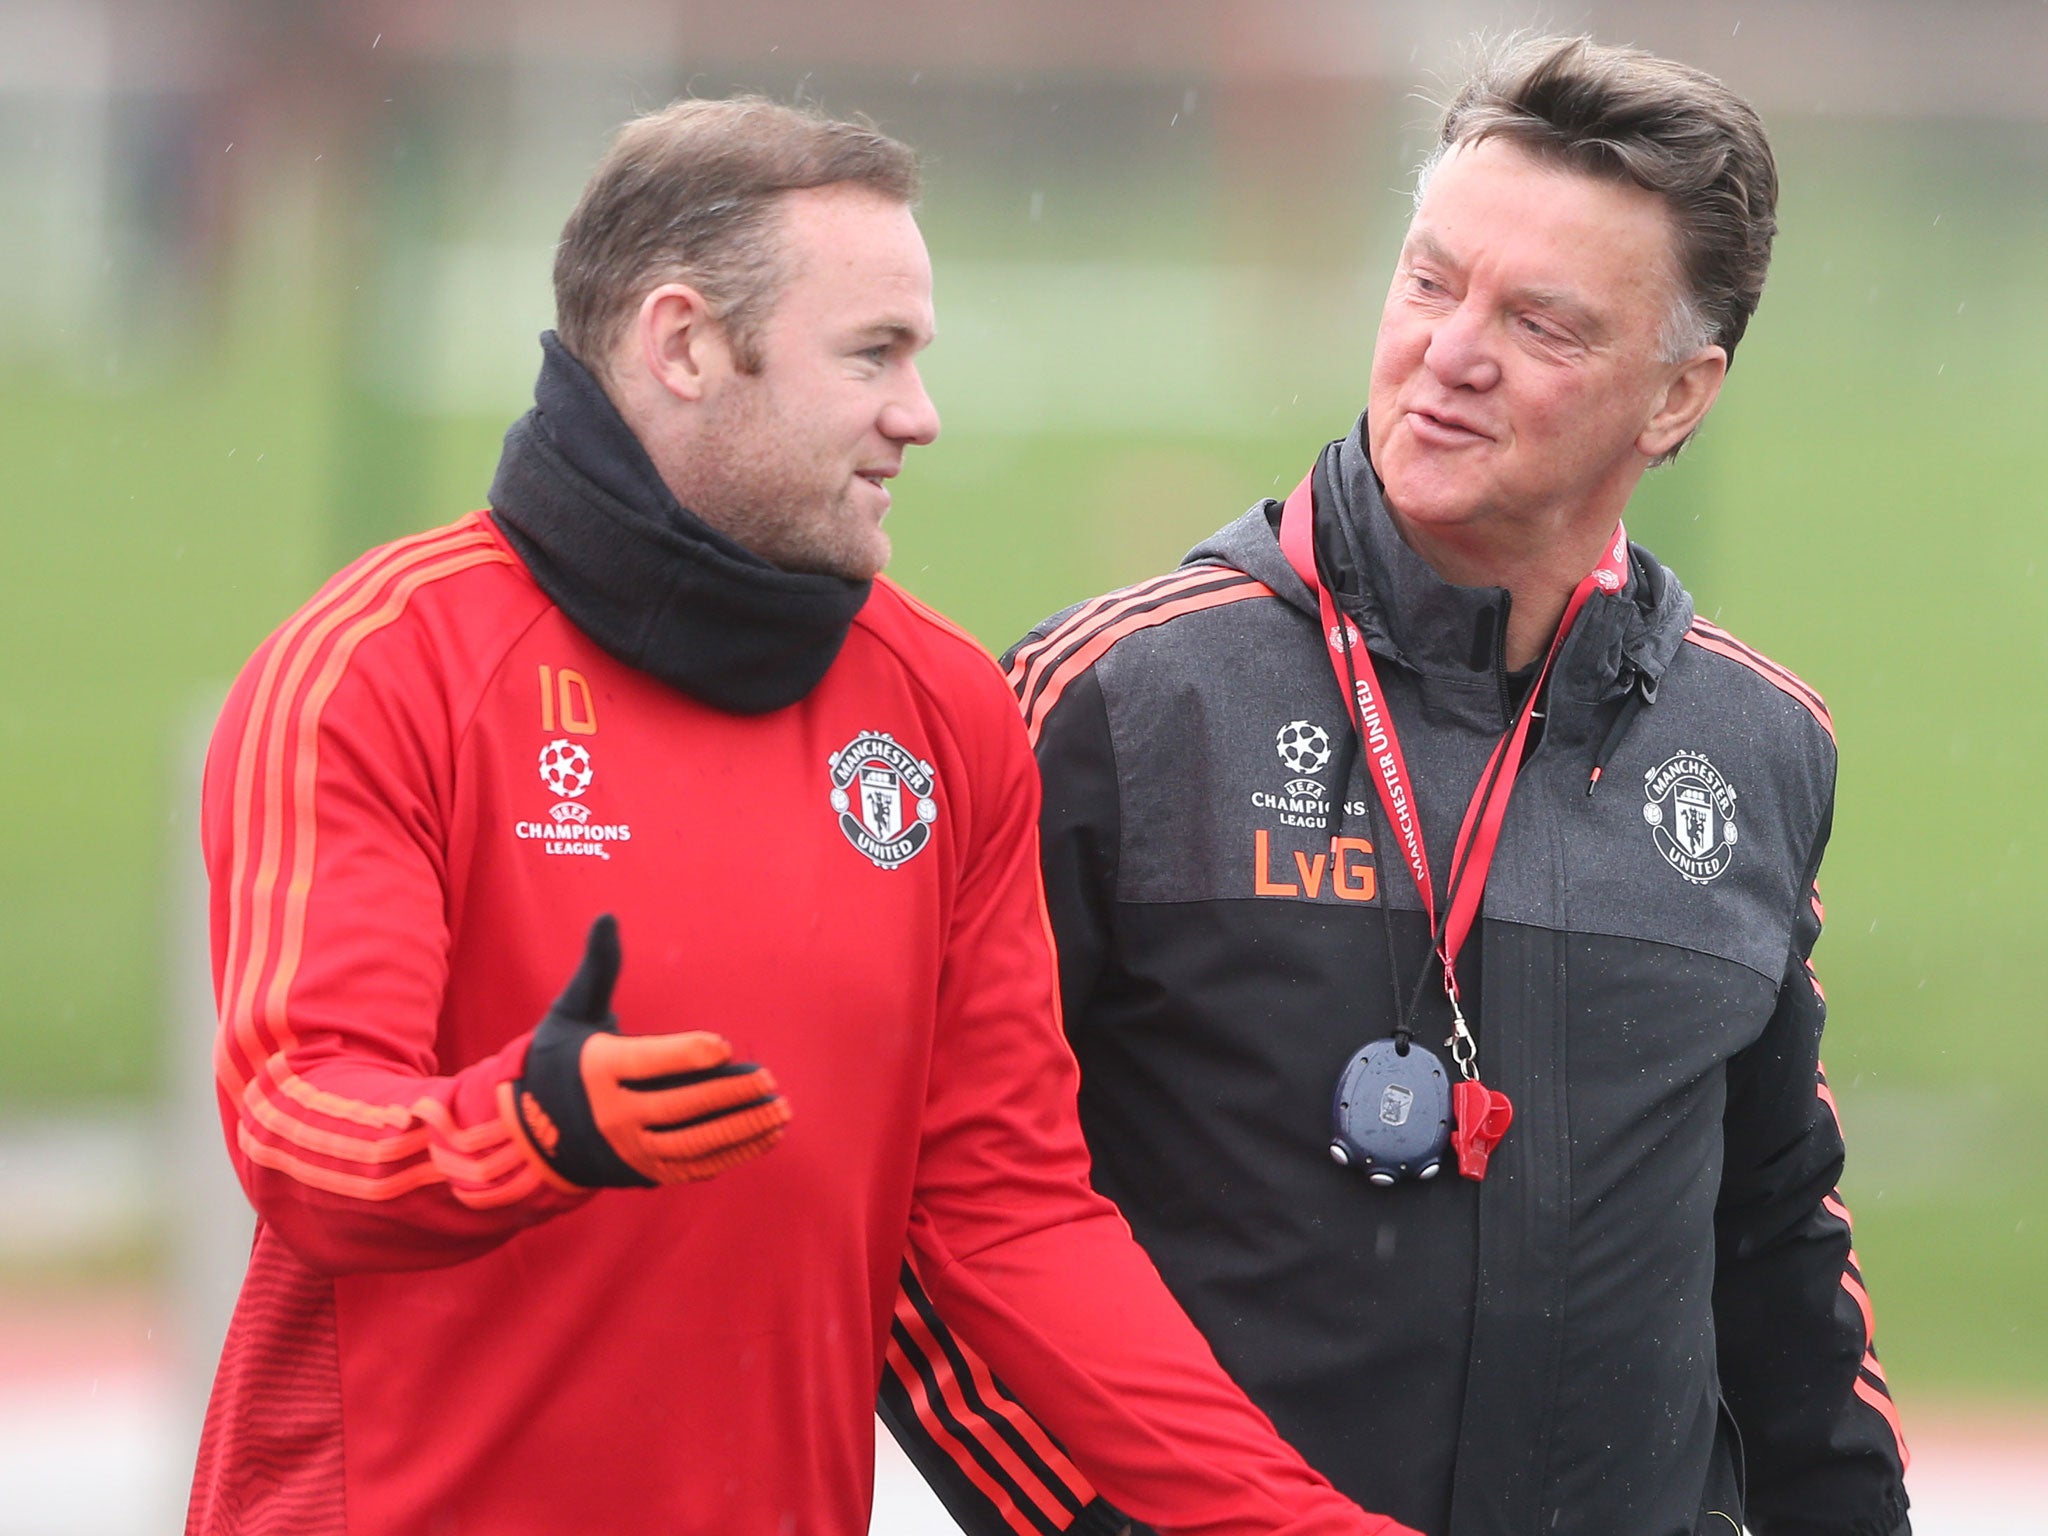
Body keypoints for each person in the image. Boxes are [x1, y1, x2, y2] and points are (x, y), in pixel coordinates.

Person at [185, 96, 1419, 1536]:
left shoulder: (943, 711)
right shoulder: (384, 667)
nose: (922, 412)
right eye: (873, 353)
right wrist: (521, 1126)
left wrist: (1296, 1524)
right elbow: (296, 1123)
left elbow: (1013, 1222)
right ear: (686, 346)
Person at [886, 37, 1911, 1536]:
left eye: (1542, 323)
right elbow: (919, 1217)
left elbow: (1775, 1244)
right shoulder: (1114, 701)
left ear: (1678, 398)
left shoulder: (1754, 746)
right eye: (1431, 284)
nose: (1452, 350)